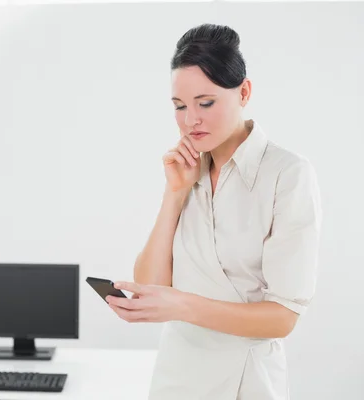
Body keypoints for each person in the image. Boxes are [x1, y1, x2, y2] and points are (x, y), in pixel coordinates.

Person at [106, 23, 322, 400]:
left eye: (205, 103)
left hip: (246, 381)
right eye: (179, 107)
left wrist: (182, 305)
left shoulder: (287, 174)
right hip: (176, 377)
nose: (191, 120)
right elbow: (151, 286)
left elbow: (283, 318)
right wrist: (175, 194)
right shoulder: (188, 171)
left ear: (244, 92)